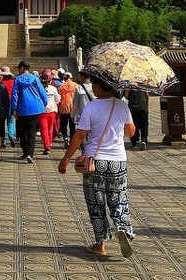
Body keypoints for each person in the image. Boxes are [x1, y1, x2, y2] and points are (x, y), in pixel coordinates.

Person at [58, 76, 137, 259]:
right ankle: (123, 228)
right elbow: (130, 132)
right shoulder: (122, 105)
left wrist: (66, 158)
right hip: (118, 161)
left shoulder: (91, 107)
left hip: (95, 161)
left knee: (96, 203)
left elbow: (79, 134)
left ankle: (100, 244)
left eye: (94, 84)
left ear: (99, 87)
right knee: (119, 199)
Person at [9, 60, 45, 163]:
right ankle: (30, 154)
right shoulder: (35, 79)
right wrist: (44, 103)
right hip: (35, 107)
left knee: (22, 131)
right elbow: (42, 92)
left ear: (22, 68)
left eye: (19, 68)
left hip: (22, 108)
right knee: (31, 132)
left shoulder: (17, 80)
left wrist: (14, 108)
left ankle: (25, 152)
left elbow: (15, 95)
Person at [38, 69, 59, 155]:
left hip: (42, 112)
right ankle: (49, 144)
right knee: (49, 129)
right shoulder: (53, 89)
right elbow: (58, 99)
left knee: (44, 130)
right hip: (52, 111)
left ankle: (47, 146)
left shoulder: (39, 89)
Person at [71, 69, 95, 136]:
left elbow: (75, 103)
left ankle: (84, 145)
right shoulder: (95, 87)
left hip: (83, 113)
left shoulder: (79, 88)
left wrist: (73, 115)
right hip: (95, 113)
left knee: (84, 132)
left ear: (82, 76)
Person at [57, 70, 77, 147]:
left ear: (64, 78)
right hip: (72, 107)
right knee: (72, 125)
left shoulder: (61, 86)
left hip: (63, 107)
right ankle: (72, 140)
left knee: (63, 124)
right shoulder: (76, 86)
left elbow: (59, 96)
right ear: (71, 78)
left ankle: (65, 137)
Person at [0, 68, 17, 147]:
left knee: (1, 123)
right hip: (11, 104)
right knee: (10, 121)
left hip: (2, 105)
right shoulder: (13, 82)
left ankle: (3, 140)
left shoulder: (0, 83)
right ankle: (10, 135)